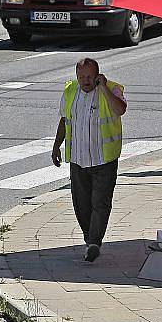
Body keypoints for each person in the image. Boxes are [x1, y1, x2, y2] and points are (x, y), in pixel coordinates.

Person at [51, 58, 127, 262]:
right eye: (81, 77)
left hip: (104, 159)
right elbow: (64, 120)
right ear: (77, 76)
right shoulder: (70, 92)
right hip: (78, 159)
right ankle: (89, 238)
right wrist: (56, 145)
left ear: (97, 75)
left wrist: (103, 89)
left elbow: (120, 109)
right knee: (81, 204)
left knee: (100, 203)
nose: (85, 81)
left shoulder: (111, 89)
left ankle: (94, 242)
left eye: (89, 77)